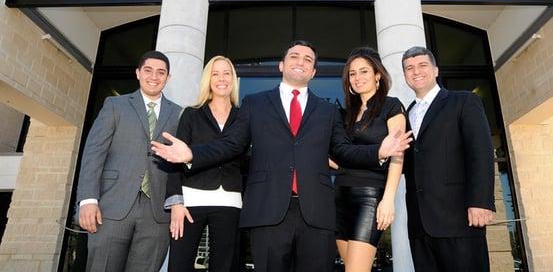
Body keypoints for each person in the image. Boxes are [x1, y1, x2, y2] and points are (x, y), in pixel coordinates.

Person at [151, 40, 412, 272]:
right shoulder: (255, 103)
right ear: (281, 66)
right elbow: (231, 145)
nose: (301, 62)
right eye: (294, 57)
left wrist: (378, 151)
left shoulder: (328, 112)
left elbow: (344, 152)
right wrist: (191, 154)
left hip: (317, 215)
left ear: (313, 72)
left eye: (308, 60)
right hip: (268, 211)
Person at [76, 50, 182, 272]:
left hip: (157, 213)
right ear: (138, 73)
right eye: (148, 70)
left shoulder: (179, 114)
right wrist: (87, 200)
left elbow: (180, 165)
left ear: (168, 78)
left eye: (161, 72)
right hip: (111, 207)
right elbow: (94, 154)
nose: (154, 76)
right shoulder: (115, 105)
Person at [401, 46, 495, 272]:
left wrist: (480, 201)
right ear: (404, 76)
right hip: (420, 225)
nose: (416, 71)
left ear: (435, 70)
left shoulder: (463, 101)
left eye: (422, 65)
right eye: (409, 68)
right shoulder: (405, 115)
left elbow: (480, 152)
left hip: (459, 220)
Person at [165, 55, 243, 272]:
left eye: (227, 73)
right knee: (179, 264)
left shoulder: (243, 116)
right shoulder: (191, 114)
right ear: (208, 79)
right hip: (190, 202)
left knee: (225, 267)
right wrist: (176, 203)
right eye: (215, 73)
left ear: (233, 79)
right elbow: (174, 160)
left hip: (230, 201)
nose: (221, 78)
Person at [334, 47, 406, 271]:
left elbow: (397, 155)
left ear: (377, 75)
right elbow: (338, 156)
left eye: (364, 71)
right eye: (352, 74)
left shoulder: (391, 105)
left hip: (370, 197)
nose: (357, 78)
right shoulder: (344, 114)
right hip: (339, 196)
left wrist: (388, 199)